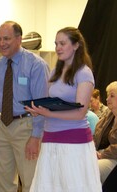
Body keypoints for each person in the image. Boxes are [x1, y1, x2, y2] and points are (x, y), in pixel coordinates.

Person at [25, 27, 102, 192]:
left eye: (62, 43)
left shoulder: (84, 73)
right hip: (50, 138)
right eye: (56, 44)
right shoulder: (54, 72)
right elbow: (48, 102)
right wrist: (38, 109)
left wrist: (49, 113)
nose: (58, 47)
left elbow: (80, 113)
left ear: (76, 45)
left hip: (74, 141)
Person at [0, 21, 50, 192]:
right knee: (1, 181)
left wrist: (36, 137)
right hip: (3, 127)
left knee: (31, 181)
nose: (1, 43)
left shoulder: (36, 65)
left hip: (26, 127)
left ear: (19, 39)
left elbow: (42, 104)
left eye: (6, 38)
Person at [94, 81, 117, 184]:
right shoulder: (108, 116)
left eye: (112, 96)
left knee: (92, 170)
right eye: (108, 96)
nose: (107, 99)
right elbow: (96, 136)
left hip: (113, 158)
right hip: (101, 155)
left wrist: (101, 155)